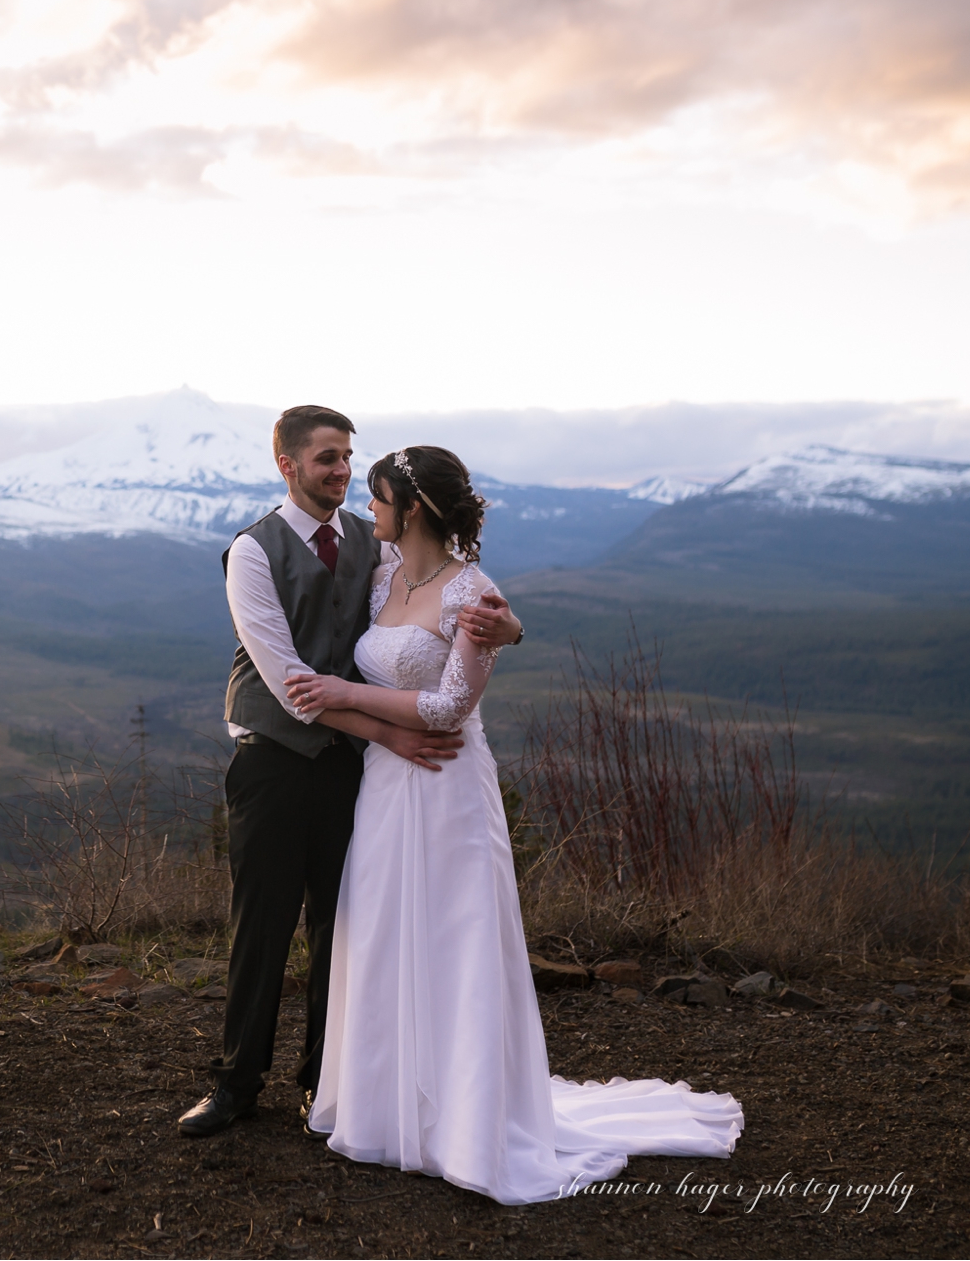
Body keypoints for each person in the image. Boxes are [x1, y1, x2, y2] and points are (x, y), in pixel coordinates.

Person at [286, 445, 743, 1202]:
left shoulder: (474, 594)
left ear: (413, 508)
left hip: (449, 788)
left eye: (379, 498)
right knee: (385, 932)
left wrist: (344, 692)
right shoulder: (381, 575)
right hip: (386, 785)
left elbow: (447, 708)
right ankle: (389, 1109)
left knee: (456, 940)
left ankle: (467, 1122)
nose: (370, 509)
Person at [176, 407, 523, 1140]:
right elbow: (290, 685)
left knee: (348, 929)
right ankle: (236, 1084)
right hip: (276, 760)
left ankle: (326, 1084)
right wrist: (389, 735)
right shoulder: (253, 552)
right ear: (288, 465)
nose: (341, 471)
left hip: (353, 770)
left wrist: (511, 627)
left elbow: (456, 593)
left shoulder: (378, 540)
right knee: (262, 926)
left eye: (347, 458)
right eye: (327, 458)